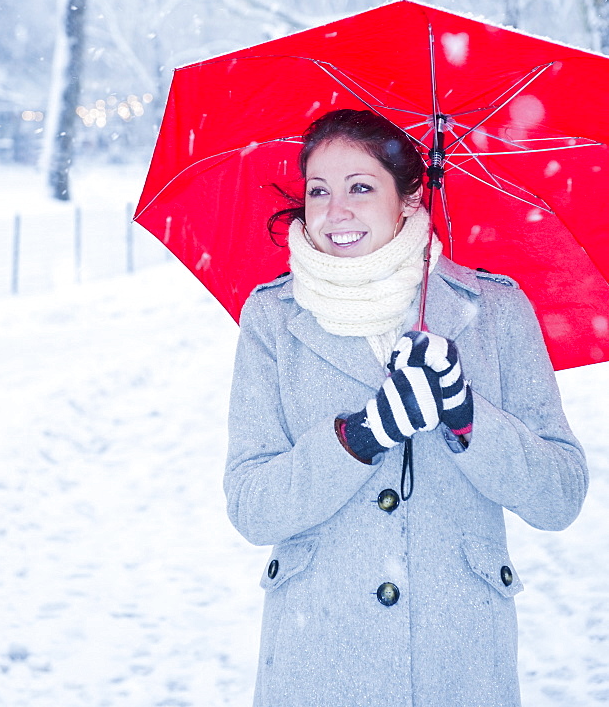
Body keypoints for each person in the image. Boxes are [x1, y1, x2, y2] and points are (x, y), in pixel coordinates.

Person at [224, 108, 588, 707]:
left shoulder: (493, 311)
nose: (334, 211)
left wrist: (467, 416)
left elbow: (559, 496)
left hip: (460, 659)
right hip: (319, 658)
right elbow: (252, 508)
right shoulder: (273, 320)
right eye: (319, 190)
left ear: (411, 197)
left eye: (361, 188)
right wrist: (362, 435)